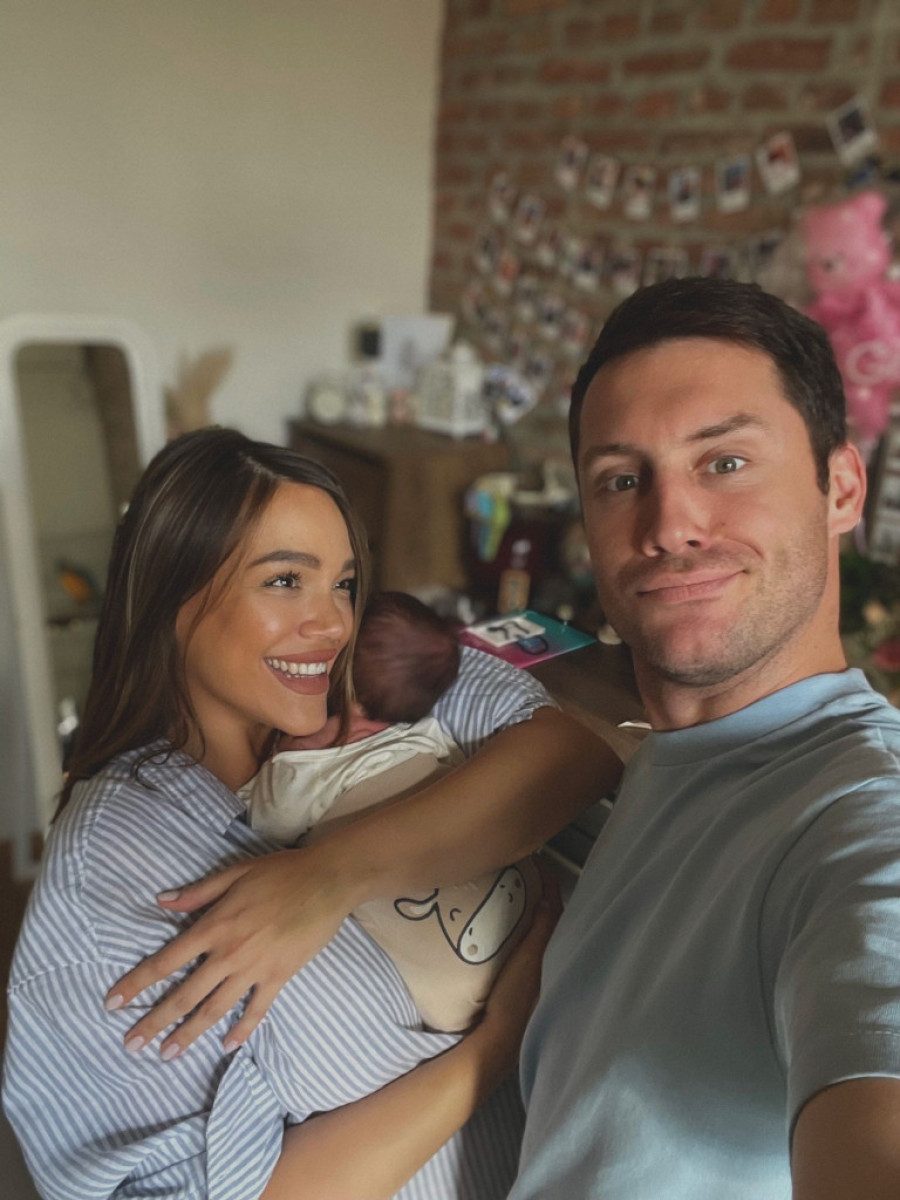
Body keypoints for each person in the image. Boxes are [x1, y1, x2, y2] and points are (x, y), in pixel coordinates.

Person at [1, 429, 620, 1200]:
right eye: (285, 580)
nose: (331, 624)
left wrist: (329, 875)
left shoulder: (375, 676)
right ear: (171, 593)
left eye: (343, 584)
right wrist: (495, 1047)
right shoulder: (111, 882)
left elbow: (573, 758)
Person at [509, 276, 900, 1199]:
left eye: (724, 462)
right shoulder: (675, 748)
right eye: (621, 480)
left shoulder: (861, 816)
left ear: (841, 488)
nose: (669, 525)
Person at [243, 589, 541, 1033]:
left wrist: (265, 764)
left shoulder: (301, 766)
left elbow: (264, 825)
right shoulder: (431, 734)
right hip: (532, 926)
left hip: (447, 993)